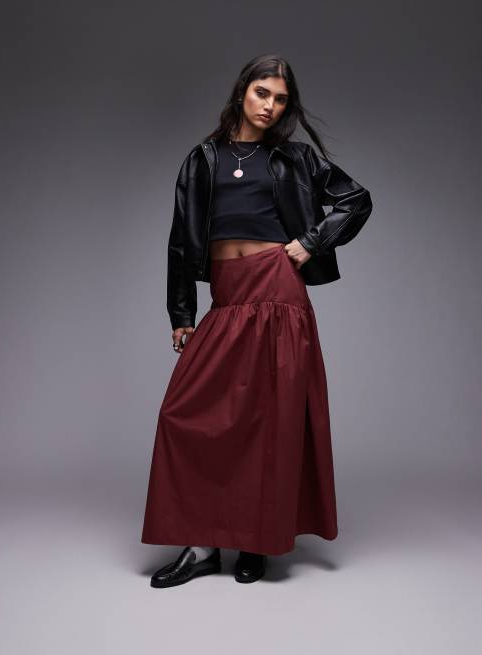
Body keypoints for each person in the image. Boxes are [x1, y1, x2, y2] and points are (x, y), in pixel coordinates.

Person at [141, 53, 373, 588]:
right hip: (227, 295)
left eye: (280, 99)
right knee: (186, 413)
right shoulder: (203, 158)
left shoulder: (295, 158)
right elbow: (181, 240)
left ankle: (255, 542)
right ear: (242, 91)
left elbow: (356, 200)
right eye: (262, 93)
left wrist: (310, 242)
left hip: (276, 290)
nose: (270, 106)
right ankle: (202, 547)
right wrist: (182, 311)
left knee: (268, 419)